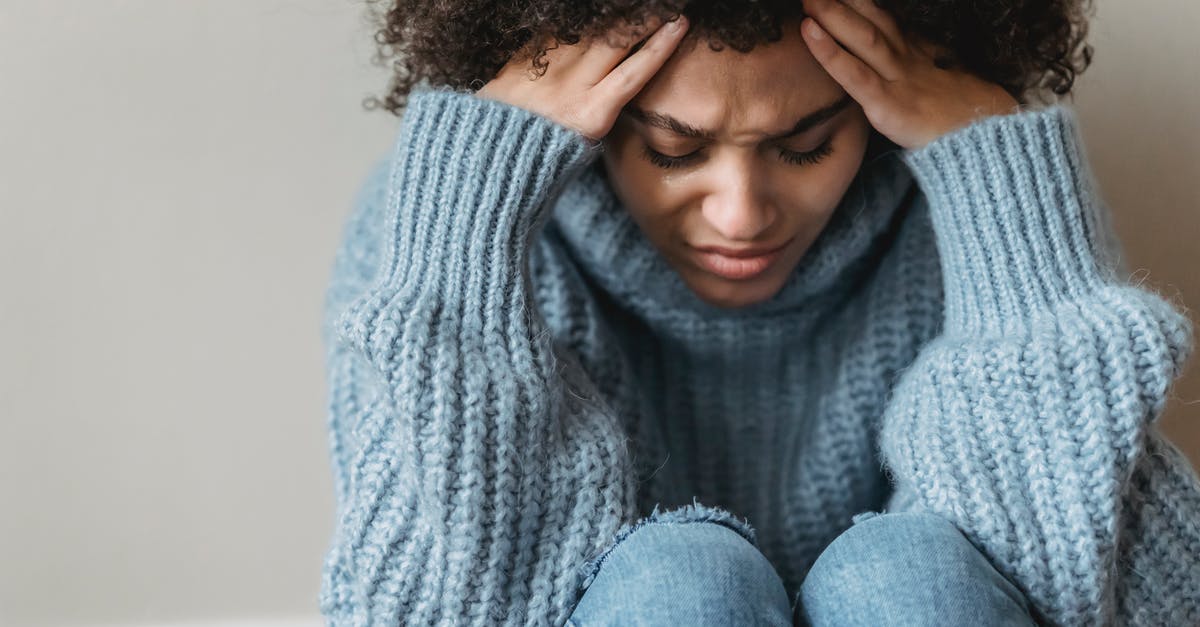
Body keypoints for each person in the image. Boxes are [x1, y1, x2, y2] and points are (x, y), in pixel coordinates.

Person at [318, 0, 1200, 624]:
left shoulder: (983, 202)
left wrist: (998, 179)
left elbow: (1108, 602)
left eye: (807, 143)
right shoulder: (457, 229)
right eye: (673, 149)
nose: (740, 213)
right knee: (679, 582)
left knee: (906, 576)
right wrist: (467, 231)